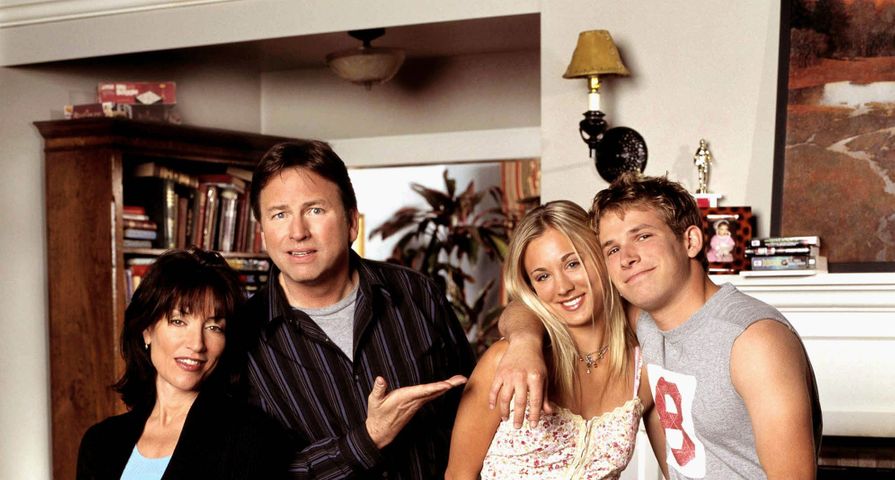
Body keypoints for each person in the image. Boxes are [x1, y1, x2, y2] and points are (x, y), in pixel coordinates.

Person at [491, 174, 822, 479]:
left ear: (691, 241)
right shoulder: (645, 324)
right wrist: (524, 343)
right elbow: (533, 303)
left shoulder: (754, 340)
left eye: (643, 236)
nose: (627, 257)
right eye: (613, 249)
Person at [241, 140, 476, 479]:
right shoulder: (243, 336)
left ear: (352, 222)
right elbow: (256, 474)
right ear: (263, 233)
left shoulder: (417, 293)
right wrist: (367, 440)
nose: (298, 232)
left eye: (315, 210)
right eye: (280, 215)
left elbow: (478, 410)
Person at [445, 201, 664, 479]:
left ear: (601, 256)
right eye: (543, 276)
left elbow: (679, 467)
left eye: (573, 264)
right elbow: (458, 475)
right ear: (532, 288)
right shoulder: (506, 363)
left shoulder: (643, 368)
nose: (563, 287)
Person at [77, 249, 292, 480]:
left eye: (213, 327)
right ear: (147, 330)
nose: (197, 344)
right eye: (179, 321)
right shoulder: (100, 442)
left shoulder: (252, 438)